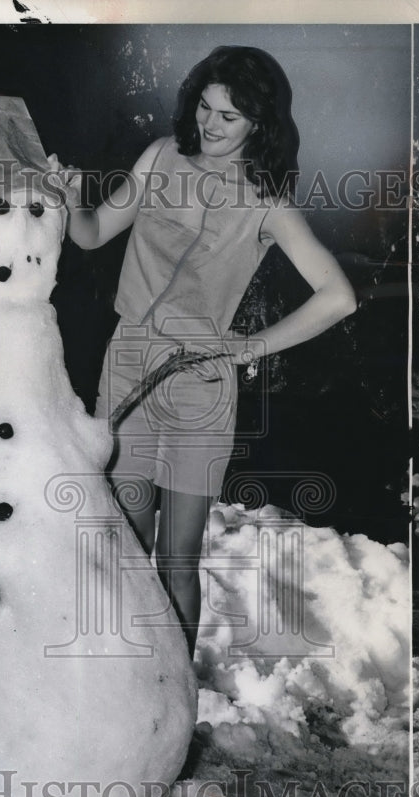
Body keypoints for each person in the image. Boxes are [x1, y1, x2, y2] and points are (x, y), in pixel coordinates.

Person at [48, 45, 357, 658]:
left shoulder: (267, 201)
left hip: (200, 380)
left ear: (260, 124)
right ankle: (131, 692)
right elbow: (91, 235)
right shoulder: (161, 157)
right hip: (129, 359)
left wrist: (250, 347)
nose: (209, 126)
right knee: (127, 541)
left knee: (176, 558)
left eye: (229, 117)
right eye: (206, 108)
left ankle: (176, 701)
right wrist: (65, 198)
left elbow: (338, 296)